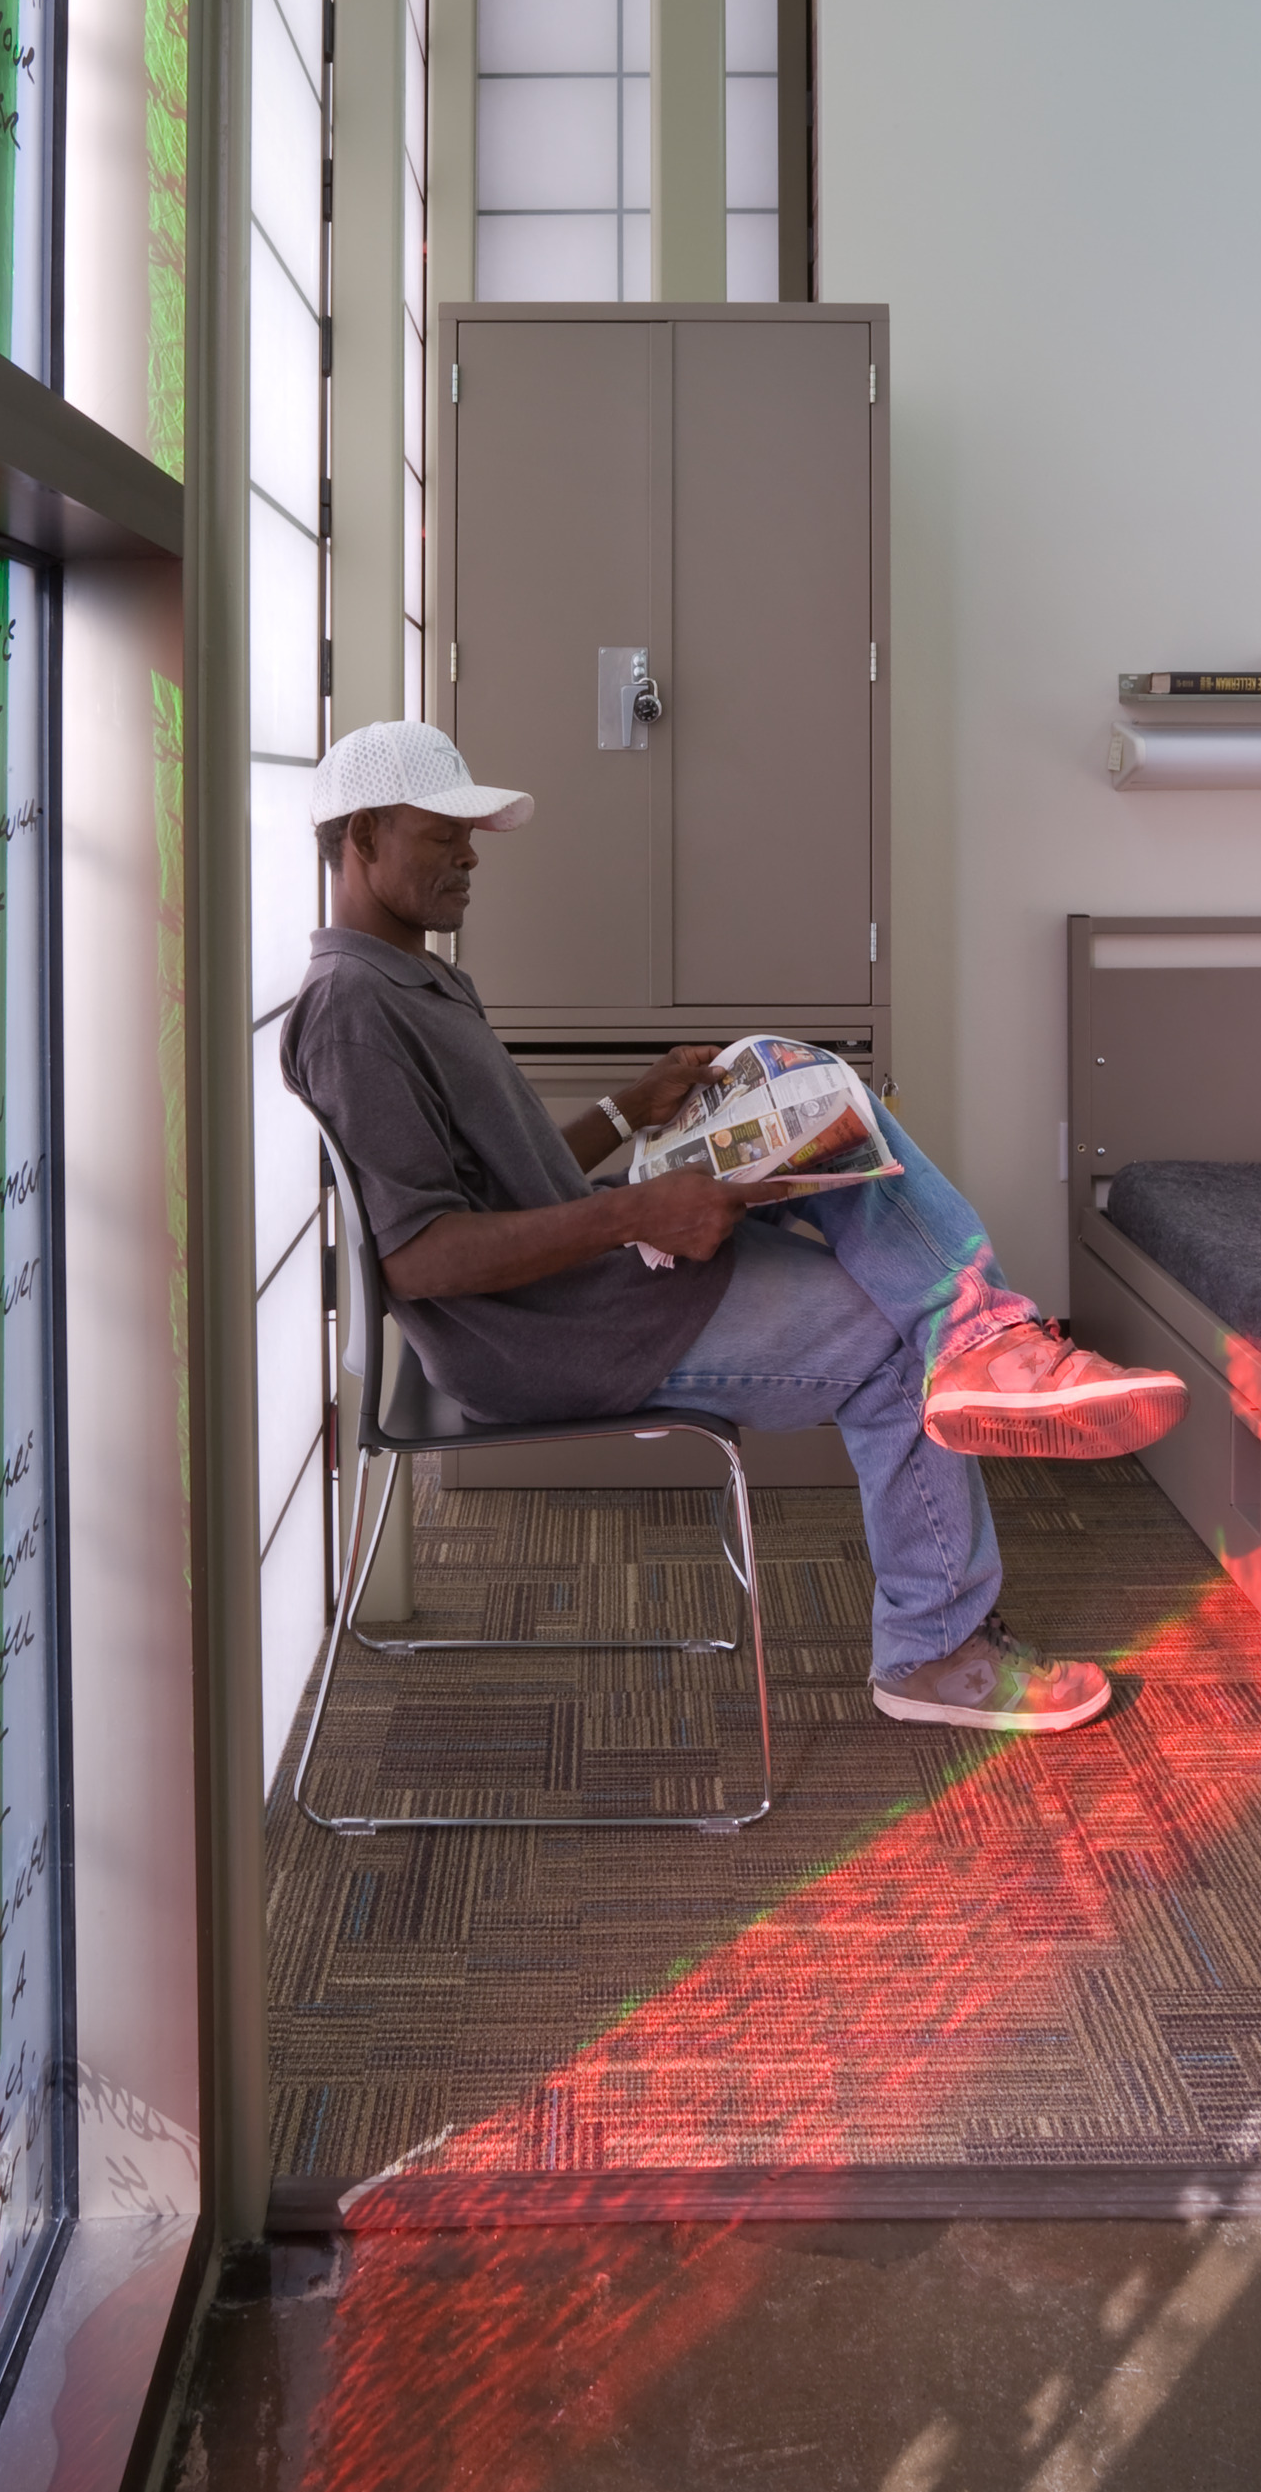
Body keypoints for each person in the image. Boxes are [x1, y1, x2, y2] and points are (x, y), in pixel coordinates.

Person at [282, 720, 1189, 1737]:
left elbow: (514, 1176)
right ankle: (937, 1644)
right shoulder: (356, 1008)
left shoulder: (411, 979)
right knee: (902, 1339)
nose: (472, 853)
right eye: (444, 832)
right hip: (552, 1331)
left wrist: (640, 1104)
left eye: (472, 831)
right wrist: (642, 1206)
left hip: (586, 1285)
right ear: (362, 835)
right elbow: (423, 1253)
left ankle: (990, 1337)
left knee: (828, 1125)